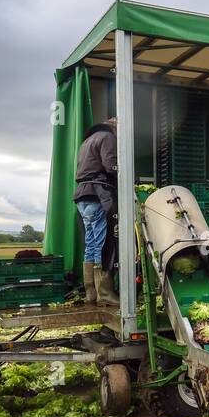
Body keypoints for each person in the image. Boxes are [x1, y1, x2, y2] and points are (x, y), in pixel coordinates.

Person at [73, 117, 118, 305]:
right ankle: (105, 294)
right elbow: (110, 166)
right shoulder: (107, 137)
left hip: (82, 195)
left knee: (90, 243)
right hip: (97, 193)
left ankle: (91, 292)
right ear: (114, 127)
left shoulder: (87, 141)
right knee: (102, 242)